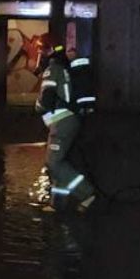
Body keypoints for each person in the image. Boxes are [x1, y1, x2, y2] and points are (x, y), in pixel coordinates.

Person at [33, 33, 97, 214]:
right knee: (60, 162)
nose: (40, 54)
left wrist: (36, 106)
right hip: (67, 119)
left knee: (53, 163)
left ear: (49, 50)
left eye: (42, 49)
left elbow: (45, 101)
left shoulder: (52, 69)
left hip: (62, 121)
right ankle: (57, 203)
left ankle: (87, 194)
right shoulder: (64, 67)